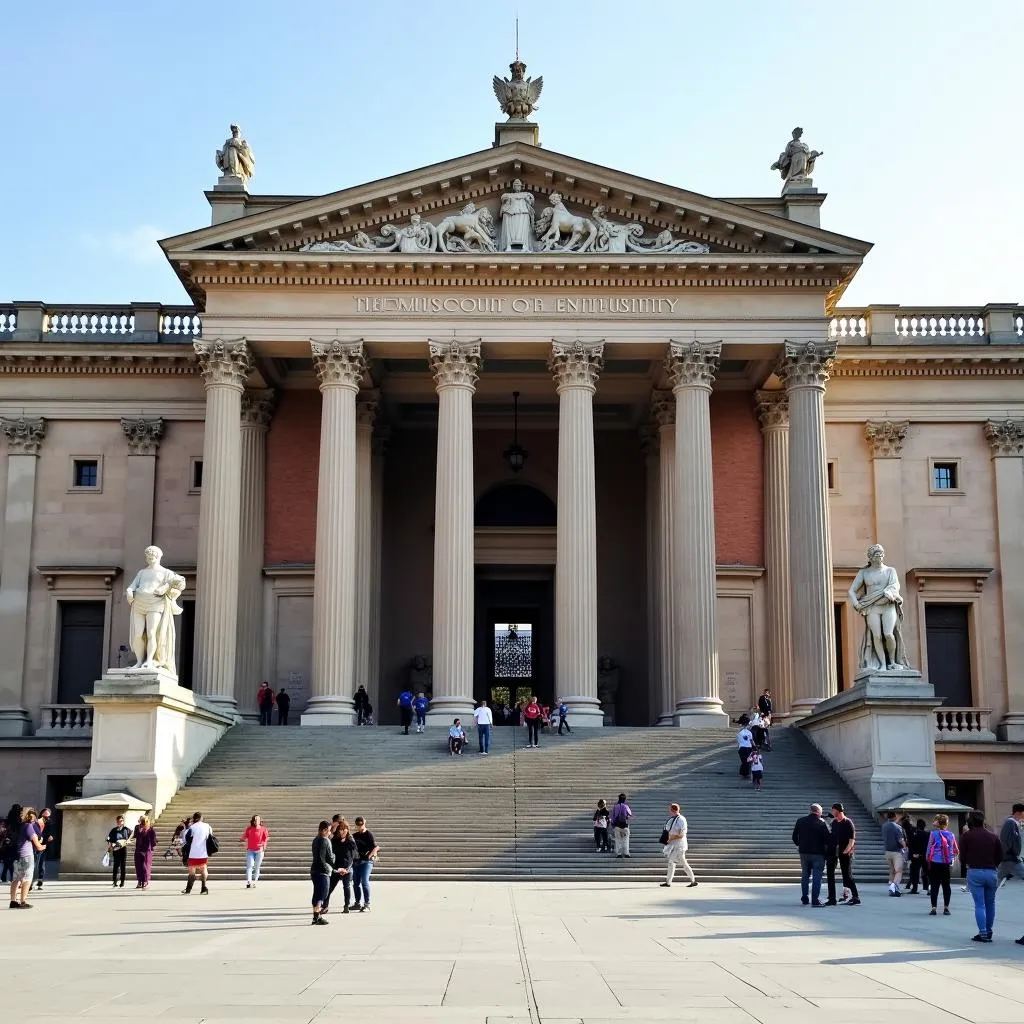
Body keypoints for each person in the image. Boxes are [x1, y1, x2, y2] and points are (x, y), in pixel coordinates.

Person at [959, 809, 1004, 942]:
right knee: (991, 903)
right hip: (991, 872)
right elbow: (1000, 856)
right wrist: (993, 865)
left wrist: (968, 863)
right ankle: (989, 931)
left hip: (975, 872)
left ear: (970, 821)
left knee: (979, 905)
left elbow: (962, 856)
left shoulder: (967, 836)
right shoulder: (993, 836)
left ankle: (983, 933)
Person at [792, 803, 830, 906]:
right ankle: (815, 900)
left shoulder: (801, 821)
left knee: (805, 875)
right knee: (817, 877)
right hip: (818, 854)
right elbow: (827, 839)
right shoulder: (821, 823)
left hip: (804, 852)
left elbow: (794, 836)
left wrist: (799, 845)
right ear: (818, 812)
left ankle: (805, 898)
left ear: (810, 811)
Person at [9, 808, 46, 909]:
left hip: (16, 856)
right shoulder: (28, 826)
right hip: (26, 855)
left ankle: (13, 901)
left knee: (16, 879)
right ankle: (23, 901)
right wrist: (43, 846)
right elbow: (37, 845)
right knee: (27, 878)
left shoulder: (15, 826)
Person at [826, 803, 860, 906]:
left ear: (837, 811)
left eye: (833, 810)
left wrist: (847, 850)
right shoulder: (835, 822)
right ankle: (832, 898)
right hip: (834, 852)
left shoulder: (848, 822)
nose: (832, 812)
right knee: (830, 874)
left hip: (845, 852)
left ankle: (855, 897)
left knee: (847, 875)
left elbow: (852, 839)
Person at [926, 813, 958, 916]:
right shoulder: (951, 835)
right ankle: (946, 908)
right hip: (945, 863)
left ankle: (934, 908)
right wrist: (951, 859)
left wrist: (928, 858)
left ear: (938, 823)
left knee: (934, 885)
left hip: (935, 862)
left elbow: (929, 847)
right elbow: (953, 850)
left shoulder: (933, 834)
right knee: (946, 885)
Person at [660, 803, 697, 888]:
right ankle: (692, 880)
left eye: (670, 809)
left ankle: (669, 882)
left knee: (672, 862)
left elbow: (681, 834)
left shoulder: (681, 819)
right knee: (681, 863)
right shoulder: (673, 819)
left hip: (679, 846)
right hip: (674, 845)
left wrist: (671, 838)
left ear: (672, 810)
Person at [324, 816, 355, 914]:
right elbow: (331, 855)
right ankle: (325, 906)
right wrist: (335, 868)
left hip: (347, 868)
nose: (343, 831)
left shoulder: (351, 841)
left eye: (344, 829)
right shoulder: (334, 841)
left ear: (347, 830)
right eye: (341, 829)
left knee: (347, 886)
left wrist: (347, 868)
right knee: (329, 888)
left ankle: (346, 906)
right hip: (336, 868)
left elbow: (353, 856)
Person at [310, 820, 337, 926]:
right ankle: (317, 917)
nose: (330, 833)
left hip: (314, 870)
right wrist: (334, 858)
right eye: (329, 830)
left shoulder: (315, 840)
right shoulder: (325, 840)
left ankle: (316, 916)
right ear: (324, 830)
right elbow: (329, 858)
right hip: (323, 871)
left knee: (317, 893)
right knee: (323, 893)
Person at [181, 811, 213, 895]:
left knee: (192, 871)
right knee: (204, 869)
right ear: (201, 818)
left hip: (193, 853)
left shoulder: (192, 828)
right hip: (203, 853)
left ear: (194, 818)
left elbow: (185, 840)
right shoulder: (207, 826)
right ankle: (204, 887)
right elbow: (210, 837)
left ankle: (188, 889)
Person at [351, 816, 379, 912]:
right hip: (357, 861)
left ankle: (367, 904)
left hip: (367, 862)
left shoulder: (368, 834)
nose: (359, 826)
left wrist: (369, 856)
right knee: (355, 883)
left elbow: (375, 847)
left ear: (364, 823)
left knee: (364, 882)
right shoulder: (354, 836)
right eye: (358, 824)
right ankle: (357, 903)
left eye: (361, 824)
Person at [997, 803, 1024, 887]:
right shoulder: (1010, 823)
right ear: (1018, 813)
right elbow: (1006, 841)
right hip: (1010, 858)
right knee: (998, 878)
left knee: (998, 877)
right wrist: (1015, 855)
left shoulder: (1013, 823)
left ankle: (986, 893)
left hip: (1010, 857)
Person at [882, 811, 907, 896]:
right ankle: (894, 886)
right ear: (894, 816)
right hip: (896, 852)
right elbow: (900, 840)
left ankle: (892, 887)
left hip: (887, 851)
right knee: (898, 871)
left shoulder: (884, 826)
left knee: (892, 870)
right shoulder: (897, 827)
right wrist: (905, 847)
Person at [241, 814, 269, 888]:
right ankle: (249, 882)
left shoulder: (263, 829)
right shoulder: (249, 828)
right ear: (253, 821)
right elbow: (245, 836)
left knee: (257, 866)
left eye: (258, 819)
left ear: (260, 821)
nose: (256, 821)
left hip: (259, 850)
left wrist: (262, 844)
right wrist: (244, 840)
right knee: (249, 866)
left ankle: (255, 882)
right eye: (255, 820)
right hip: (250, 850)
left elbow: (265, 838)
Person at [107, 814, 132, 888]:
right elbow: (109, 839)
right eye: (118, 821)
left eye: (121, 821)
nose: (119, 822)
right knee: (116, 865)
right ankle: (114, 881)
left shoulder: (126, 829)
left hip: (123, 849)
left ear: (123, 821)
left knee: (123, 866)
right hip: (115, 849)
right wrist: (110, 846)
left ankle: (122, 881)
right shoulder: (114, 830)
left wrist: (127, 842)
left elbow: (132, 837)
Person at [133, 815, 158, 888]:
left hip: (147, 850)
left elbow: (153, 840)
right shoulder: (137, 827)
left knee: (145, 866)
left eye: (143, 821)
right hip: (139, 849)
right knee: (139, 866)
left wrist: (152, 847)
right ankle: (140, 881)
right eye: (142, 821)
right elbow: (135, 835)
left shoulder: (150, 829)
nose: (142, 823)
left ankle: (145, 881)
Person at [907, 818, 930, 894]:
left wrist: (913, 854)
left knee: (914, 873)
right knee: (927, 872)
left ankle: (914, 888)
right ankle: (928, 888)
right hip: (925, 856)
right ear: (924, 826)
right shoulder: (928, 834)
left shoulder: (914, 835)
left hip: (915, 856)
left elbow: (911, 845)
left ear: (917, 826)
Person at [33, 808, 54, 889]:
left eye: (48, 816)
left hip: (44, 846)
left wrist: (51, 837)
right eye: (44, 815)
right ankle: (32, 881)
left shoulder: (50, 823)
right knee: (36, 864)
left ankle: (40, 882)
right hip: (37, 845)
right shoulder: (38, 822)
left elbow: (51, 833)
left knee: (42, 864)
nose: (46, 817)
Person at [611, 793, 632, 858]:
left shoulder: (615, 806)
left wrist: (613, 825)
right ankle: (626, 853)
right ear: (624, 799)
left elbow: (612, 817)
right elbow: (630, 815)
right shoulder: (626, 806)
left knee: (618, 840)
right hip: (625, 826)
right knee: (626, 840)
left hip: (617, 826)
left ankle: (619, 853)